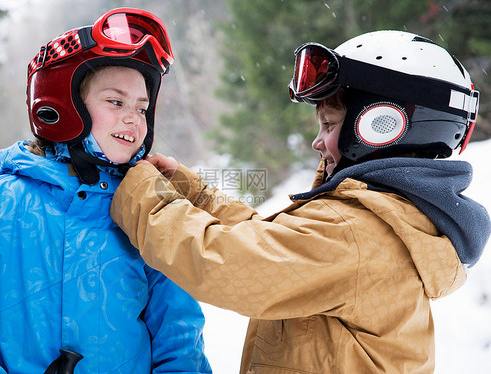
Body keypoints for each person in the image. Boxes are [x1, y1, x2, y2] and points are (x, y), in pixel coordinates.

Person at [109, 30, 490, 373]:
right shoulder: (386, 222)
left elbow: (228, 264)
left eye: (329, 124)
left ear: (381, 126)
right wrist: (189, 190)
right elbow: (269, 241)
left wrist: (141, 191)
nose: (317, 141)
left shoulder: (355, 233)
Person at [0, 8, 211, 374]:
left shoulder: (150, 212)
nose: (133, 118)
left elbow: (180, 342)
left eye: (142, 108)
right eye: (115, 101)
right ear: (61, 104)